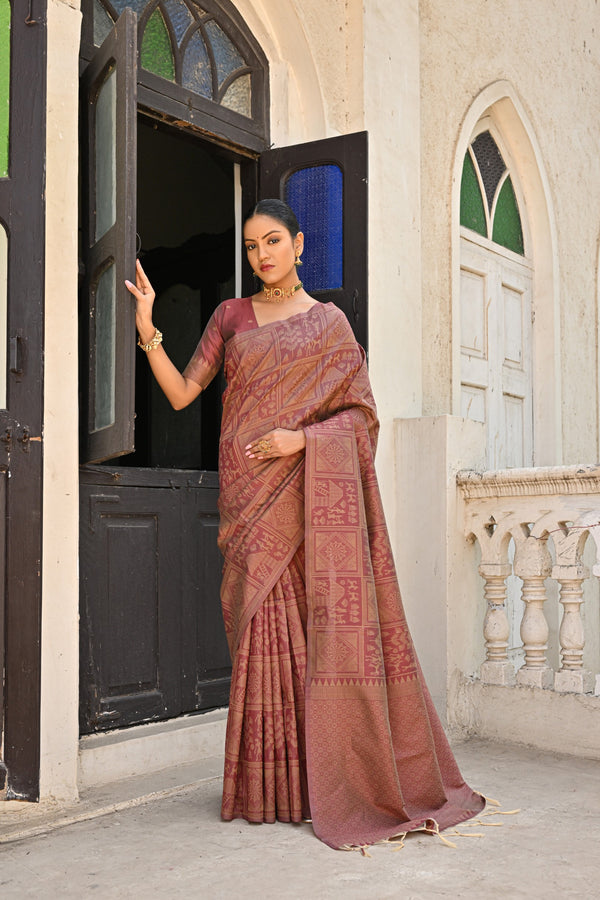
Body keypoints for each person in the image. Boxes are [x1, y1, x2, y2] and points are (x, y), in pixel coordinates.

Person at [125, 199, 485, 851]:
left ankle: (316, 786)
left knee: (307, 634)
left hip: (302, 496)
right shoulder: (229, 316)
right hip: (247, 500)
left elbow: (361, 418)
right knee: (259, 630)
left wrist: (301, 442)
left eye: (271, 242)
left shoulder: (330, 326)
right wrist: (149, 329)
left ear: (297, 245)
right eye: (250, 246)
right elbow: (182, 394)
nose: (260, 255)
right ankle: (270, 789)